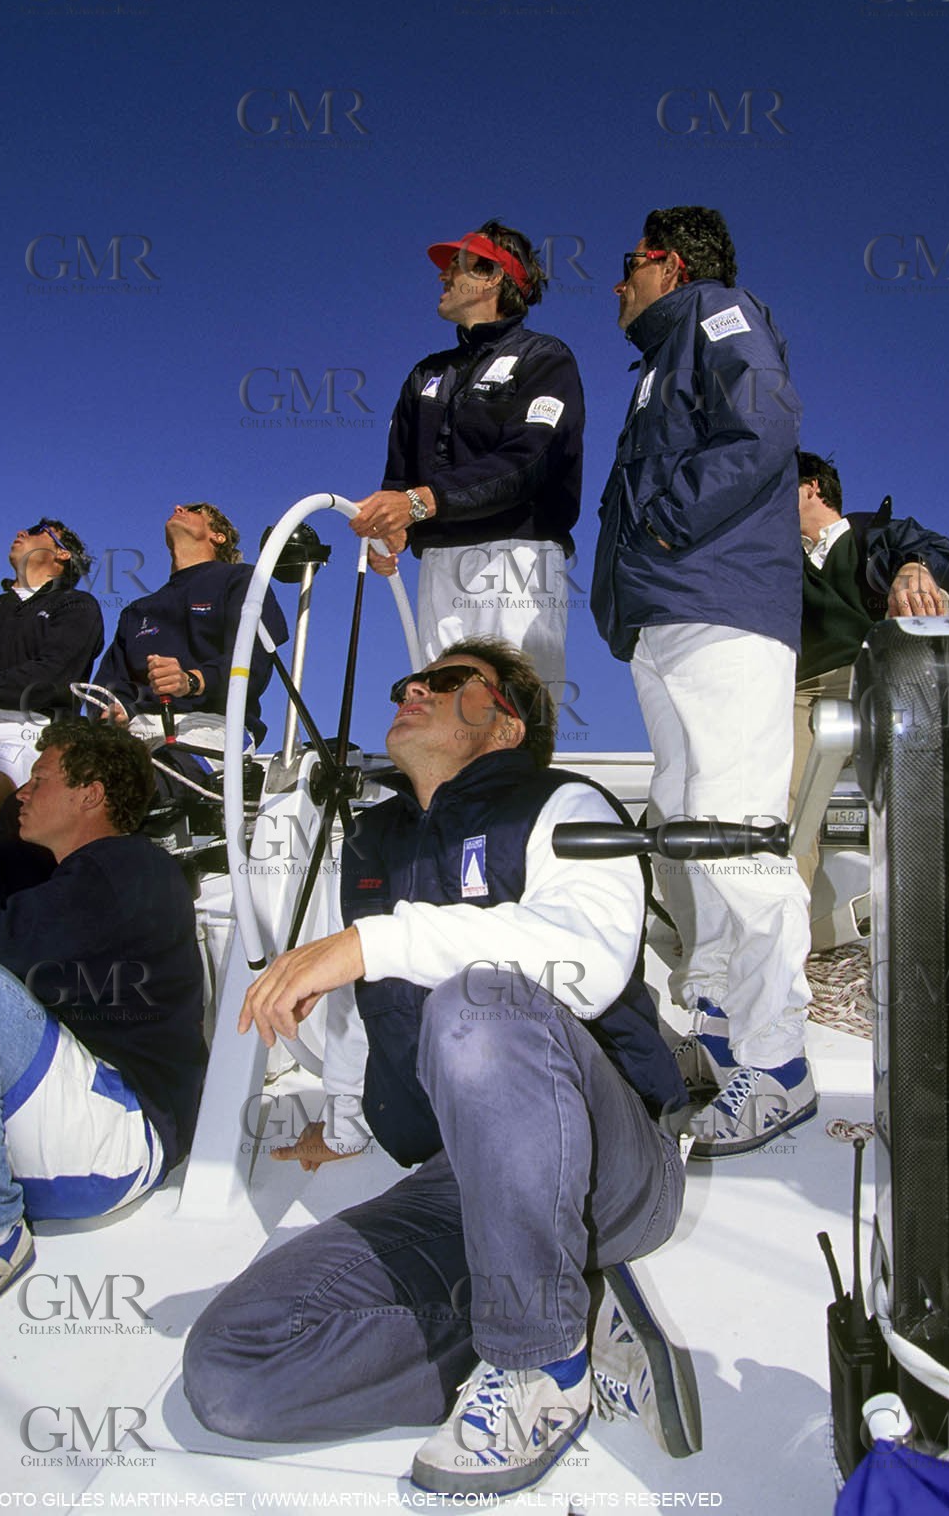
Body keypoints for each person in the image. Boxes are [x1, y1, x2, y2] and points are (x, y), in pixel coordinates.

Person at [184, 638, 696, 1498]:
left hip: (611, 1166)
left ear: (504, 723)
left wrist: (364, 942)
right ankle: (556, 1311)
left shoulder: (562, 801)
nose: (414, 688)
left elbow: (589, 962)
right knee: (234, 1370)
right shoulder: (377, 835)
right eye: (408, 679)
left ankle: (540, 1368)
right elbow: (363, 1011)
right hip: (458, 1179)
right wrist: (341, 1118)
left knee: (478, 1005)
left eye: (448, 682)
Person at [591, 205, 814, 1160]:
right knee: (686, 827)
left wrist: (666, 529)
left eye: (628, 265)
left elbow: (760, 432)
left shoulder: (718, 314)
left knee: (733, 830)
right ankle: (720, 1032)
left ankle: (779, 1067)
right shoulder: (657, 359)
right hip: (665, 618)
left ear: (668, 264)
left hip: (718, 606)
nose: (615, 283)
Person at [0, 721, 208, 1326]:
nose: (22, 792)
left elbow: (0, 948)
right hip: (77, 1135)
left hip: (118, 1129)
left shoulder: (123, 867)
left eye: (39, 779)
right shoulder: (93, 880)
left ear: (90, 794)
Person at [349, 221, 584, 689]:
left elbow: (529, 461)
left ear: (492, 275)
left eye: (456, 266)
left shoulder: (544, 358)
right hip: (439, 563)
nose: (443, 277)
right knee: (442, 704)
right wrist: (390, 529)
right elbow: (400, 477)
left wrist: (419, 504)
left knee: (513, 708)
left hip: (517, 558)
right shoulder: (426, 374)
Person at [791, 451, 949, 888]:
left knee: (930, 603)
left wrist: (916, 565)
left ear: (811, 487)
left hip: (878, 672)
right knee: (778, 800)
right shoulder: (772, 558)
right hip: (797, 693)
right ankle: (781, 935)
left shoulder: (876, 533)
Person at [0, 518, 102, 902]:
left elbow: (54, 673)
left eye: (38, 529)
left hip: (27, 731)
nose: (21, 532)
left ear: (62, 553)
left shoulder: (75, 605)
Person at [95, 501, 288, 748]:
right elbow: (109, 682)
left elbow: (254, 661)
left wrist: (191, 680)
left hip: (213, 726)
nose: (178, 508)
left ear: (219, 536)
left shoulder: (240, 580)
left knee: (158, 782)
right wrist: (114, 709)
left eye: (195, 510)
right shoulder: (137, 611)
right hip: (134, 732)